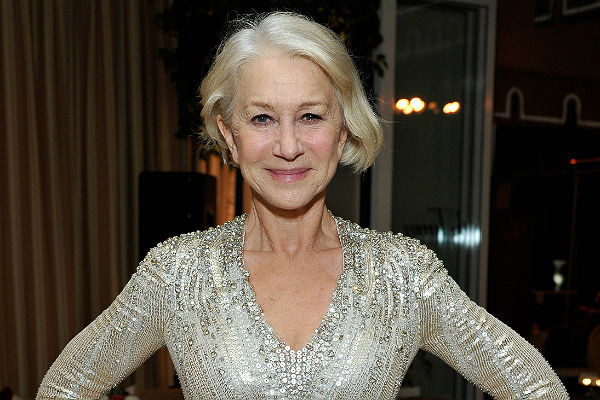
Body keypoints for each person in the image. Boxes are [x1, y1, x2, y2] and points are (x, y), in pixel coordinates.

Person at [37, 11, 569, 399]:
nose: (288, 146)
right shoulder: (177, 273)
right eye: (262, 118)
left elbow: (536, 387)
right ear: (230, 135)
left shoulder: (404, 276)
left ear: (343, 131)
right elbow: (64, 387)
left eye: (311, 116)